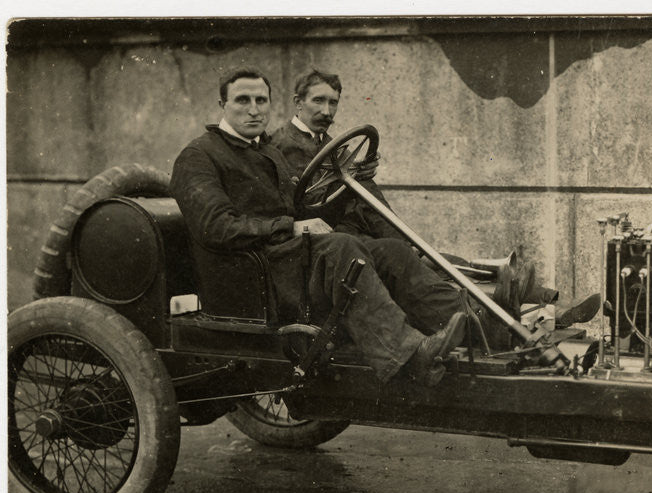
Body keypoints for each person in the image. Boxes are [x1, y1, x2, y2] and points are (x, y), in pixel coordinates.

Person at [169, 68, 466, 387]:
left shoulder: (268, 152)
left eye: (261, 100)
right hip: (255, 276)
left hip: (291, 262)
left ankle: (474, 329)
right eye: (243, 100)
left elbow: (306, 210)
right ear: (222, 104)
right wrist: (290, 227)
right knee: (343, 249)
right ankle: (409, 356)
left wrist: (355, 182)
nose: (254, 109)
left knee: (389, 251)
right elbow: (216, 227)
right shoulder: (199, 156)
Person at [269, 67, 601, 329]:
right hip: (336, 244)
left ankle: (551, 305)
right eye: (318, 101)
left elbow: (354, 197)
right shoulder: (282, 145)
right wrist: (353, 178)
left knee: (442, 260)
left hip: (368, 231)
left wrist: (361, 177)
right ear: (298, 102)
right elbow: (308, 206)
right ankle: (502, 316)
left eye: (334, 102)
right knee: (431, 266)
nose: (327, 110)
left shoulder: (329, 143)